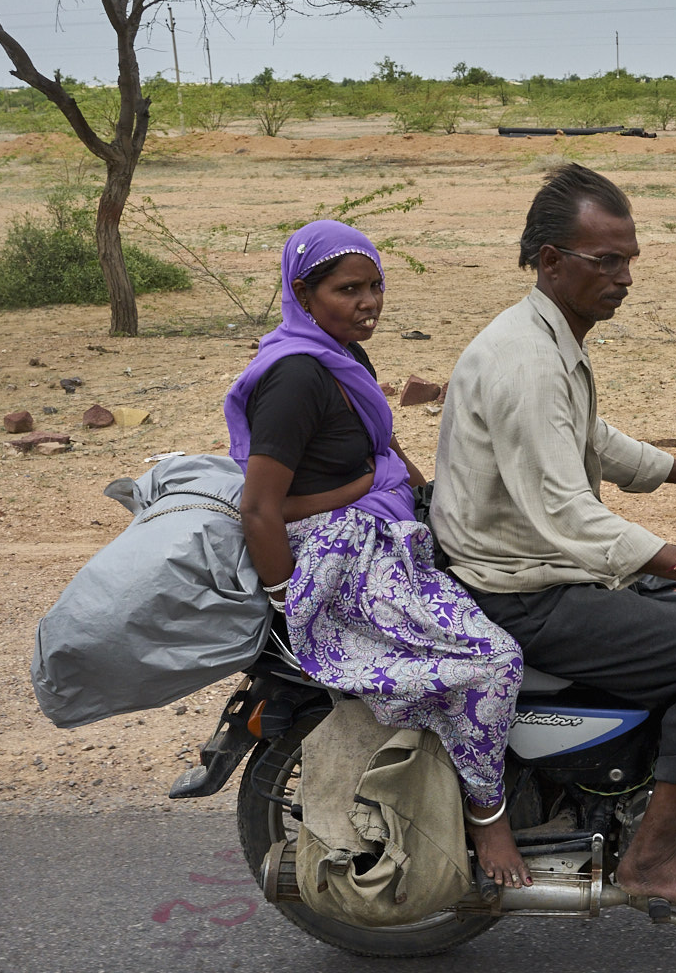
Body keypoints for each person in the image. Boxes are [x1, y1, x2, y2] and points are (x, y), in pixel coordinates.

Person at [431, 164, 676, 910]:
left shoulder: (548, 335)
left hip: (542, 571)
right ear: (552, 261)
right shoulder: (525, 361)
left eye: (630, 260)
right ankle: (650, 859)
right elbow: (568, 513)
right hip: (524, 594)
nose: (624, 277)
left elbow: (594, 441)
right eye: (606, 260)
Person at [223, 220, 531, 889]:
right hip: (342, 557)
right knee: (494, 661)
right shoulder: (296, 377)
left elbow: (378, 448)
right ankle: (488, 810)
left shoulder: (343, 356)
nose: (369, 302)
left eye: (376, 286)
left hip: (381, 531)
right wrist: (290, 602)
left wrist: (430, 498)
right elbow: (259, 508)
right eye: (348, 289)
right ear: (302, 292)